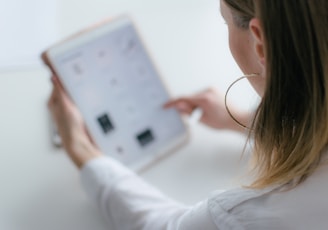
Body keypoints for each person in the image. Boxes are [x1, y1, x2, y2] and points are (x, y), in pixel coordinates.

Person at [48, 0, 328, 229]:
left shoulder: (253, 216)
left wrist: (81, 149)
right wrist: (242, 119)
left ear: (260, 45)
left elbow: (162, 225)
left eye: (225, 21)